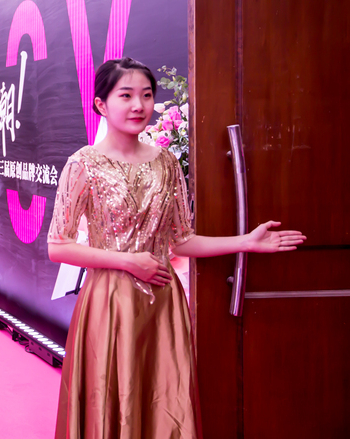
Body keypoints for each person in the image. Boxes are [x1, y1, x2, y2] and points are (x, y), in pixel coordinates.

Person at [47, 57, 305, 438]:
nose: (139, 105)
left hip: (162, 305)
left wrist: (246, 242)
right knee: (111, 402)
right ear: (101, 104)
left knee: (165, 404)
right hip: (109, 304)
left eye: (147, 95)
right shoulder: (82, 165)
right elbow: (58, 246)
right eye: (126, 95)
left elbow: (182, 239)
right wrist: (128, 262)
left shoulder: (166, 163)